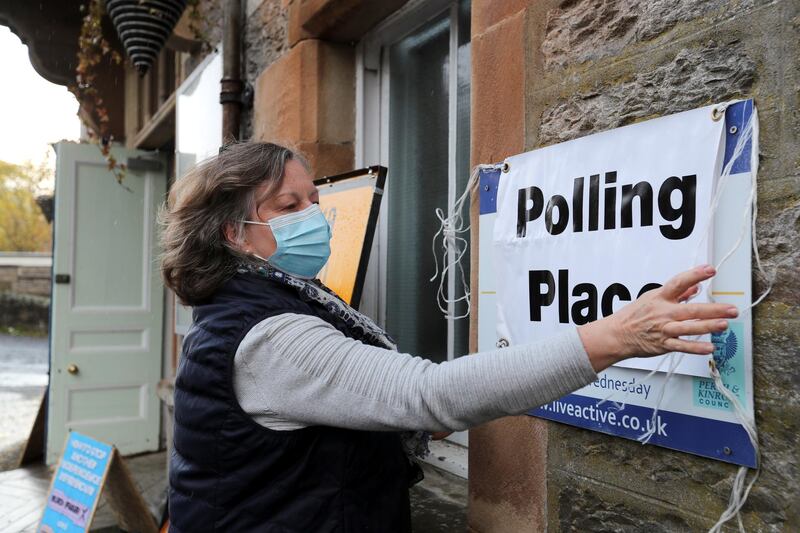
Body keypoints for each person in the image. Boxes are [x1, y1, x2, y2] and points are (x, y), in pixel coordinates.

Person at [160, 142, 738, 533]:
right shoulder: (268, 336)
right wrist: (617, 335)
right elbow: (427, 395)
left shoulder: (269, 304)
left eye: (316, 200)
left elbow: (393, 409)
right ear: (236, 234)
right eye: (290, 205)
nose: (316, 215)